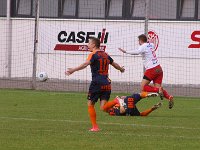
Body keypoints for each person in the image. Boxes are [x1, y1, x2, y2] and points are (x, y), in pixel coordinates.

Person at [66, 37, 125, 132]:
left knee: (90, 104)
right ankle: (116, 101)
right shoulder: (106, 54)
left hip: (97, 83)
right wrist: (121, 69)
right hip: (107, 83)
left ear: (93, 45)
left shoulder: (93, 54)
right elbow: (115, 64)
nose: (87, 45)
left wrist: (73, 70)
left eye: (89, 43)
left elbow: (85, 64)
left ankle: (95, 127)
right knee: (103, 107)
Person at [118, 34, 174, 109]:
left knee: (143, 87)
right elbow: (149, 47)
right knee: (158, 88)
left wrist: (126, 52)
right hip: (159, 69)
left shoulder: (143, 46)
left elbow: (137, 52)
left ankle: (158, 90)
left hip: (151, 69)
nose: (138, 42)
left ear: (140, 41)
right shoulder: (151, 44)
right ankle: (169, 97)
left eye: (138, 41)